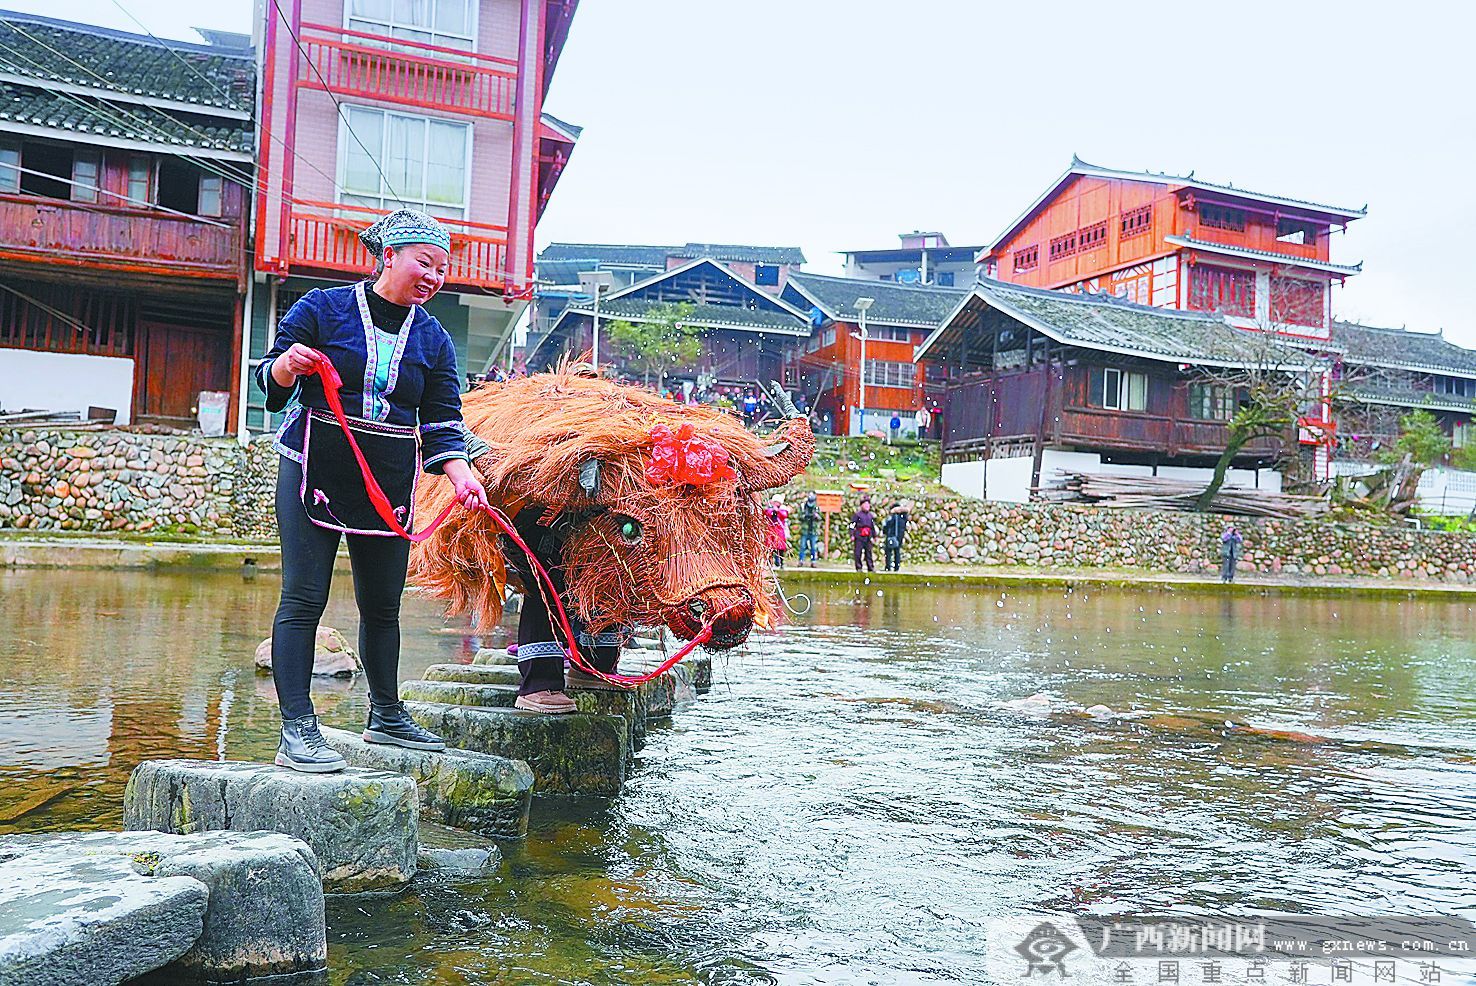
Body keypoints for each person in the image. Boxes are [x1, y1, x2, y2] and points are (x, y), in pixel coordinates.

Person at [255, 209, 490, 772]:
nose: (434, 276)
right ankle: (298, 728)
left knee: (383, 605)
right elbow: (270, 380)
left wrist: (461, 475)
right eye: (424, 263)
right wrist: (289, 365)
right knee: (304, 597)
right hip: (314, 459)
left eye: (442, 268)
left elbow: (440, 417)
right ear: (389, 256)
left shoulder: (434, 337)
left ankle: (385, 712)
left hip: (388, 473)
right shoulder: (321, 308)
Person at [764, 494, 790, 568]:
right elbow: (767, 514)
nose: (776, 503)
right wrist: (773, 510)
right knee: (770, 547)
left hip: (779, 530)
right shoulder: (770, 509)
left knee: (780, 547)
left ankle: (781, 562)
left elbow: (784, 515)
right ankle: (770, 563)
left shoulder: (783, 509)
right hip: (771, 530)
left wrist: (777, 511)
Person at [882, 501, 909, 571]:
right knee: (897, 552)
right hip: (899, 537)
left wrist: (885, 531)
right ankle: (896, 567)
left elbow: (887, 526)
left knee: (888, 552)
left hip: (891, 536)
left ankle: (888, 567)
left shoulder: (893, 517)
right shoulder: (903, 518)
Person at [852, 497, 877, 572]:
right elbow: (852, 525)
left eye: (868, 504)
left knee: (868, 552)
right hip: (859, 535)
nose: (867, 506)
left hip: (868, 536)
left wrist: (874, 536)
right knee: (858, 552)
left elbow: (872, 526)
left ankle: (870, 567)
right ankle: (859, 567)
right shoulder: (857, 515)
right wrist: (852, 534)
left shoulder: (870, 515)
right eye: (865, 504)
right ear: (861, 505)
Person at [797, 491, 821, 567]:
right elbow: (800, 516)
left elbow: (820, 518)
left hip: (813, 530)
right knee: (802, 546)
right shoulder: (803, 506)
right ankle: (801, 561)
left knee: (813, 547)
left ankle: (813, 561)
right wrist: (806, 516)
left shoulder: (816, 507)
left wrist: (816, 516)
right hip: (805, 530)